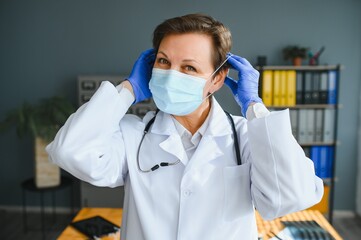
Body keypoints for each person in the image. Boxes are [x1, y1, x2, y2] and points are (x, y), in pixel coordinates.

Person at [46, 13, 323, 239]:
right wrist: (128, 90)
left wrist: (254, 107)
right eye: (163, 61)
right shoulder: (133, 134)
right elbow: (70, 151)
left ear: (217, 79)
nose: (170, 75)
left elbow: (291, 196)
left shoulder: (246, 137)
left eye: (189, 68)